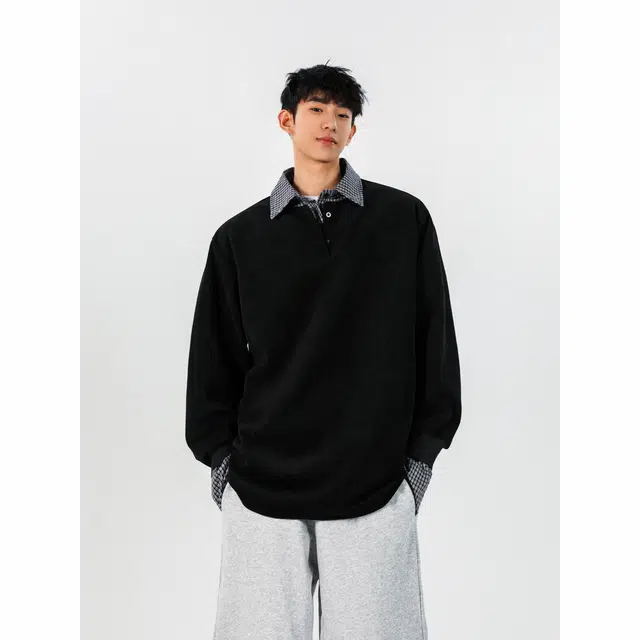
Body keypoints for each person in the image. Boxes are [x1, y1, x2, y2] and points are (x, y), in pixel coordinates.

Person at [185, 61, 462, 639]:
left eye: (342, 114)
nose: (329, 123)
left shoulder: (402, 221)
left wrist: (418, 465)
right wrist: (222, 466)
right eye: (315, 109)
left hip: (376, 482)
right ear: (286, 121)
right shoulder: (239, 238)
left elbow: (435, 340)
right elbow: (213, 360)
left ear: (353, 130)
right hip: (260, 487)